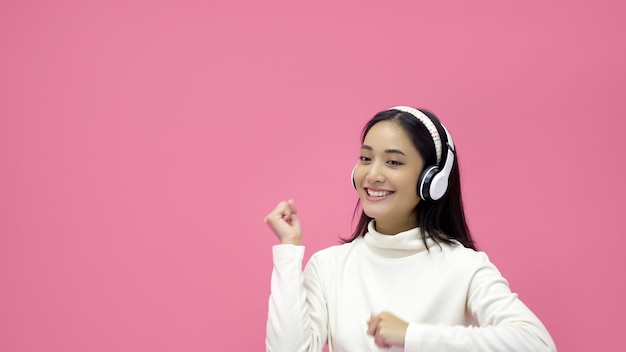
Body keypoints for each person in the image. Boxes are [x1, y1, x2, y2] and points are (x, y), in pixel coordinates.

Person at [264, 106, 557, 352]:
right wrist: (289, 251)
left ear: (432, 179)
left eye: (393, 162)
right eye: (366, 158)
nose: (373, 174)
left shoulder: (463, 267)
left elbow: (536, 343)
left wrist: (412, 335)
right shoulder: (330, 267)